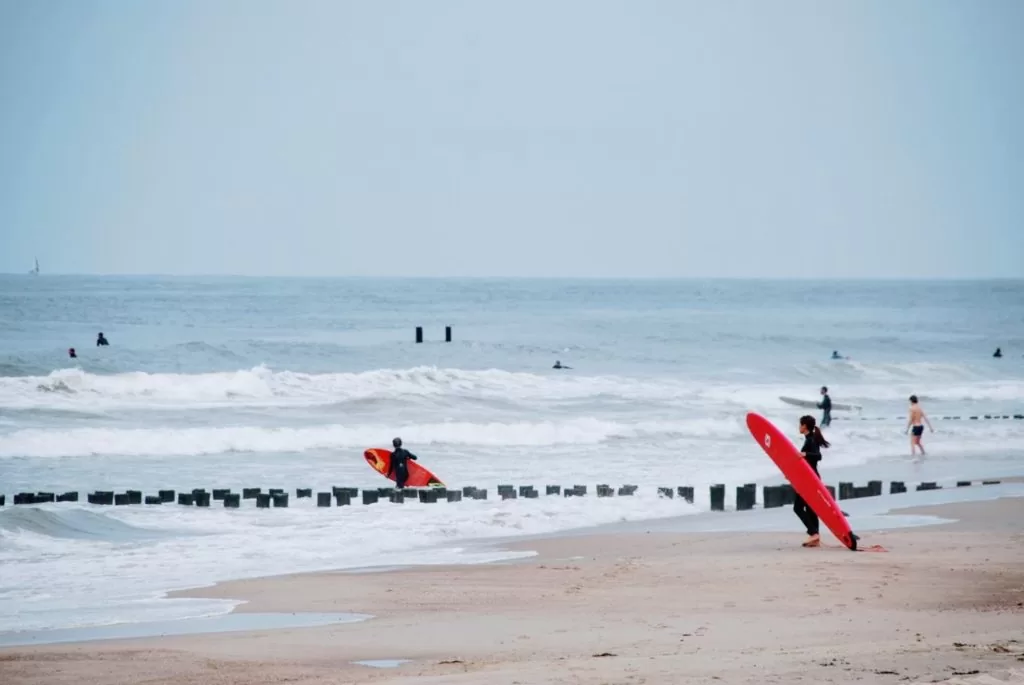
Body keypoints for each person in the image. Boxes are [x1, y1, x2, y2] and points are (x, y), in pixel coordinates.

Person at [795, 415, 830, 548]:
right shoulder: (809, 439)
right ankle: (815, 537)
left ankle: (813, 533)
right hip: (809, 477)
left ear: (804, 426)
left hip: (809, 479)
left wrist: (805, 454)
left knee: (798, 507)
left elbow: (818, 456)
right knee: (810, 508)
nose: (799, 427)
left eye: (800, 424)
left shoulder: (811, 440)